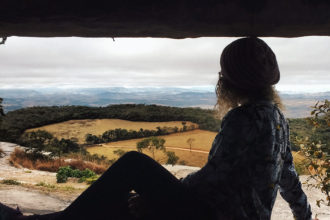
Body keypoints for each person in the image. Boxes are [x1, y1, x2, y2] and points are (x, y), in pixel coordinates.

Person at [0, 37, 312, 220]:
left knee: (134, 165)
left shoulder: (242, 119)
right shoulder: (277, 120)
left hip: (213, 216)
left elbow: (213, 179)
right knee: (125, 207)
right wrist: (304, 216)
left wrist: (162, 194)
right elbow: (289, 177)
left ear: (230, 80)